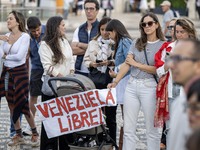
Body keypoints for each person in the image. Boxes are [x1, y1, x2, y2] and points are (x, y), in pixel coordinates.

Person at [108, 12, 165, 150]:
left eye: (150, 23)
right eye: (144, 24)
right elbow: (127, 64)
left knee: (152, 129)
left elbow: (158, 70)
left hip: (150, 86)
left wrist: (136, 64)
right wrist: (116, 81)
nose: (147, 26)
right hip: (132, 85)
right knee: (128, 128)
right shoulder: (136, 42)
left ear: (156, 24)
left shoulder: (163, 45)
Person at [0, 10, 39, 146]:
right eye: (8, 18)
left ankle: (34, 133)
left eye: (11, 18)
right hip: (7, 73)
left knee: (23, 104)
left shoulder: (25, 37)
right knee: (11, 104)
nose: (8, 20)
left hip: (20, 73)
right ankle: (18, 133)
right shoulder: (5, 36)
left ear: (18, 21)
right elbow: (0, 54)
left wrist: (5, 56)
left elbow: (19, 56)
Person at [38, 16, 75, 150]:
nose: (64, 27)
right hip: (52, 88)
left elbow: (71, 59)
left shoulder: (65, 41)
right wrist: (60, 77)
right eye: (62, 25)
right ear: (56, 27)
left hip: (67, 87)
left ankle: (65, 147)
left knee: (66, 121)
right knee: (50, 123)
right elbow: (47, 66)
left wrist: (71, 74)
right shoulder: (44, 44)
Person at [167, 39, 200, 150]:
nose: (171, 65)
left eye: (178, 59)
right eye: (171, 58)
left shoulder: (196, 104)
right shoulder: (179, 103)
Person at [105, 19, 133, 150]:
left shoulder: (125, 41)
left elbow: (130, 61)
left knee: (126, 117)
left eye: (110, 33)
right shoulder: (121, 41)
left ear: (115, 31)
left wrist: (116, 73)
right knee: (123, 117)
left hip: (125, 80)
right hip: (121, 80)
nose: (109, 37)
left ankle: (123, 145)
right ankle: (121, 145)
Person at [155, 18, 177, 150]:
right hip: (169, 91)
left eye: (175, 27)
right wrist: (167, 66)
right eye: (170, 27)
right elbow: (158, 71)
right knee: (169, 128)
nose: (173, 30)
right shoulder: (166, 47)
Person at [21, 16, 45, 136]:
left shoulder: (48, 31)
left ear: (41, 26)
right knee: (33, 96)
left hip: (49, 68)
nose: (36, 33)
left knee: (50, 95)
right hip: (36, 68)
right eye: (33, 31)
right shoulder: (27, 37)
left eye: (38, 30)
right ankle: (30, 125)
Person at [71, 0, 100, 77]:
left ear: (97, 10)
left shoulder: (102, 29)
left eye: (91, 8)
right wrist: (93, 50)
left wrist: (79, 44)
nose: (88, 11)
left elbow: (101, 50)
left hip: (97, 71)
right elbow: (73, 50)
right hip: (80, 70)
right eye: (86, 9)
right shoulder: (79, 29)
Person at [84, 17, 113, 89]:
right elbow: (86, 60)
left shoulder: (115, 43)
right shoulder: (93, 43)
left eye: (106, 29)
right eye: (102, 29)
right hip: (94, 78)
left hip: (111, 79)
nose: (104, 32)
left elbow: (120, 62)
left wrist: (109, 62)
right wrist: (91, 64)